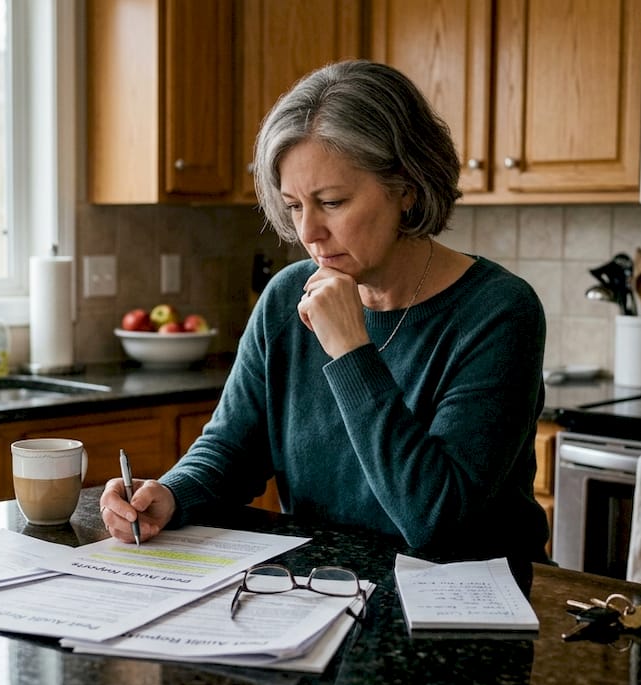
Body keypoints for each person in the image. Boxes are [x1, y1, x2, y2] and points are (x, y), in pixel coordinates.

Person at [101, 60, 550, 565]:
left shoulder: (499, 311)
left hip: (473, 607)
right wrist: (172, 494)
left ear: (407, 187)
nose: (307, 232)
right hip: (324, 589)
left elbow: (435, 519)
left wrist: (350, 349)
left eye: (332, 201)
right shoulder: (286, 297)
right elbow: (231, 449)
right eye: (293, 206)